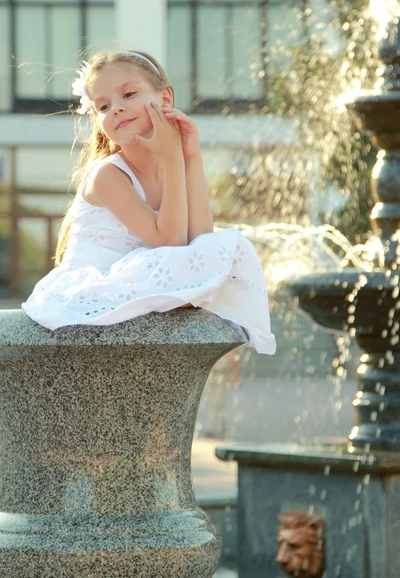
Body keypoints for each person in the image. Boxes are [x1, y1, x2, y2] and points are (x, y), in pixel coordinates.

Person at [22, 50, 276, 355]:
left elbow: (199, 240)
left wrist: (190, 157)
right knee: (176, 259)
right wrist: (172, 156)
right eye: (103, 106)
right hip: (95, 286)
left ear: (165, 99)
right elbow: (169, 243)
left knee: (230, 245)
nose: (116, 108)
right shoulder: (106, 175)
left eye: (128, 94)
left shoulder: (174, 163)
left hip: (144, 273)